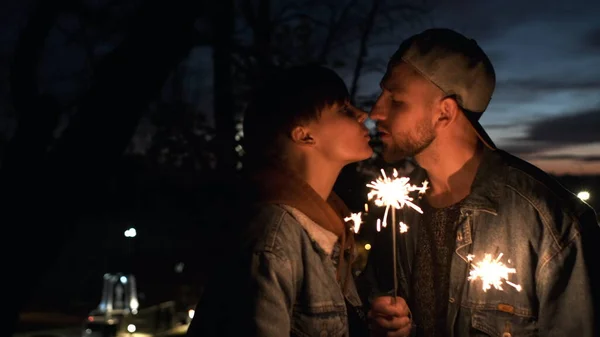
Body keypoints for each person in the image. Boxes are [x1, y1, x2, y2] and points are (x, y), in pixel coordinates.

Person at [358, 28, 600, 337]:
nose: (375, 112)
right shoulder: (399, 209)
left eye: (396, 100)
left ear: (444, 113)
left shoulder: (549, 221)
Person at [186, 64, 373, 337]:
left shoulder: (327, 229)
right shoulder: (272, 238)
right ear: (304, 134)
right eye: (344, 110)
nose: (362, 114)